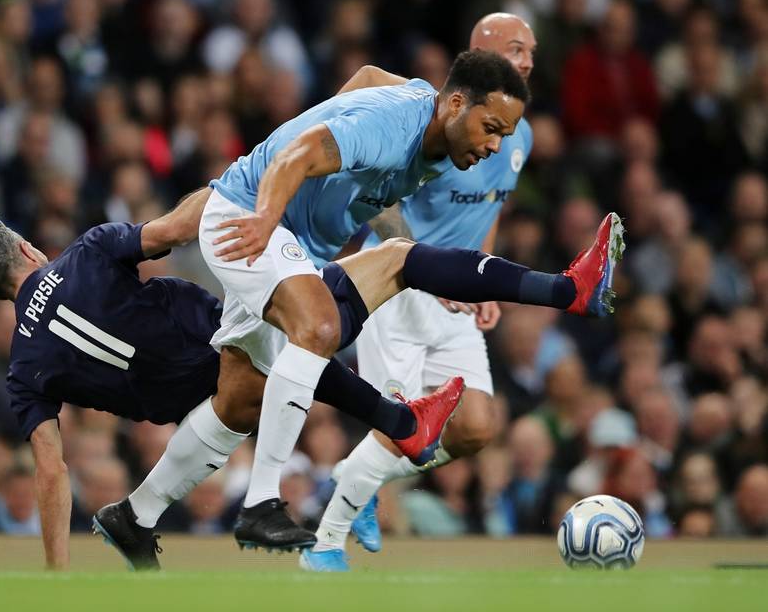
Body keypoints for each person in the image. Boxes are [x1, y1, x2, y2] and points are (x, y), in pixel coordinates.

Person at [0, 188, 621, 569]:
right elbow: (182, 226)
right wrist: (240, 187)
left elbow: (51, 472)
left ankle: (400, 423)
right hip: (221, 341)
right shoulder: (89, 252)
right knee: (396, 258)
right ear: (28, 248)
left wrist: (58, 579)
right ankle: (564, 290)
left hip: (195, 397)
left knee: (288, 348)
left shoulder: (23, 367)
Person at [195, 48, 543, 551]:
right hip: (288, 234)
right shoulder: (395, 125)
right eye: (490, 128)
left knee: (242, 396)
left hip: (350, 259)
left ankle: (137, 515)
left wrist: (463, 271)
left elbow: (368, 76)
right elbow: (300, 151)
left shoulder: (448, 136)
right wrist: (271, 216)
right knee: (320, 336)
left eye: (502, 134)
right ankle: (291, 518)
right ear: (456, 102)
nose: (494, 144)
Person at [302, 13, 538, 572]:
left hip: (456, 294)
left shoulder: (517, 134)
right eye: (517, 48)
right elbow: (375, 196)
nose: (528, 59)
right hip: (400, 286)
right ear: (484, 49)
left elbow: (491, 208)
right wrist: (421, 261)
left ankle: (358, 477)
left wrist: (483, 275)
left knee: (475, 427)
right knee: (400, 427)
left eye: (532, 50)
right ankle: (325, 545)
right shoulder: (435, 118)